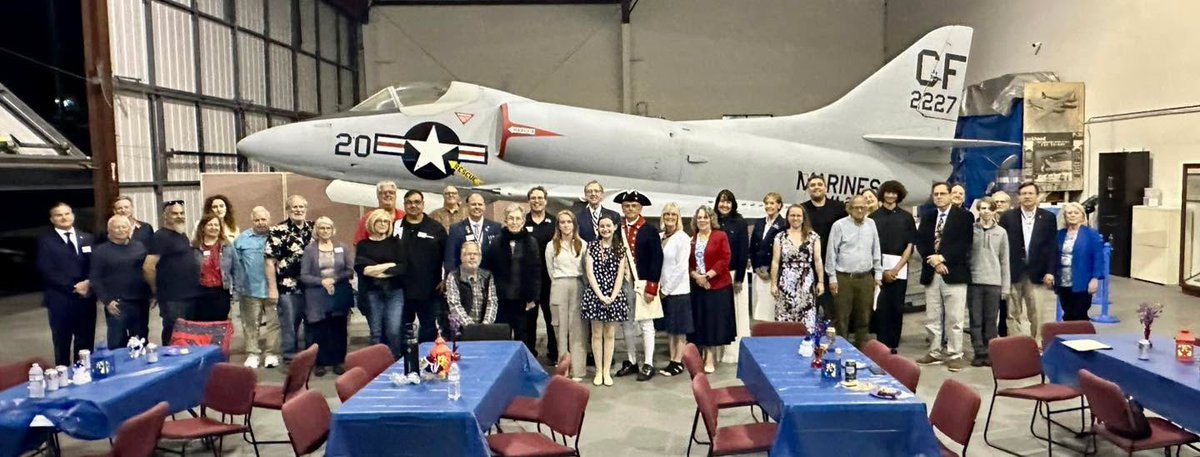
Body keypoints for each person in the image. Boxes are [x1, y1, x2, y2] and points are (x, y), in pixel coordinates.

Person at [916, 182, 974, 372]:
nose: (939, 197)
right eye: (936, 194)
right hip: (932, 273)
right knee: (932, 316)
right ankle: (934, 352)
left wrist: (943, 257)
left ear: (951, 195)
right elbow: (922, 242)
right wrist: (934, 261)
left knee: (955, 318)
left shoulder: (964, 217)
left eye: (942, 193)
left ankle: (955, 354)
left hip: (954, 273)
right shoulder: (928, 216)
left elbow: (964, 243)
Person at [613, 190, 663, 381]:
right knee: (626, 323)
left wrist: (652, 287)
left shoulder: (649, 230)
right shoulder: (619, 229)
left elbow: (656, 260)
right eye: (626, 206)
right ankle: (632, 360)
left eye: (634, 206)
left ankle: (648, 363)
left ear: (640, 208)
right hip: (624, 283)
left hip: (643, 284)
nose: (630, 209)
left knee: (647, 324)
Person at [37, 203, 95, 365]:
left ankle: (83, 372)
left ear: (73, 215)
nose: (64, 217)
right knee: (62, 341)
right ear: (52, 219)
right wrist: (73, 287)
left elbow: (95, 265)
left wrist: (89, 283)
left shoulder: (87, 238)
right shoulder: (46, 242)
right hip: (60, 299)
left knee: (85, 341)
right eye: (59, 215)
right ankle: (63, 375)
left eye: (67, 213)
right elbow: (47, 270)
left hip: (86, 298)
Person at [998, 182, 1057, 339]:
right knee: (1012, 311)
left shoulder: (1048, 218)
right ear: (1018, 197)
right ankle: (1015, 343)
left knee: (1036, 311)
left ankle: (1037, 343)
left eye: (1030, 193)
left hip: (1037, 272)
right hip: (1013, 271)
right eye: (1023, 193)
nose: (1027, 196)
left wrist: (1051, 271)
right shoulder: (1008, 217)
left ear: (1037, 196)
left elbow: (1052, 246)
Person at [825, 196, 882, 349]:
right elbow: (831, 252)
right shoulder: (839, 226)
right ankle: (841, 351)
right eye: (856, 207)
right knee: (841, 318)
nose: (859, 210)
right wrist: (832, 278)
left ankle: (861, 351)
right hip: (844, 278)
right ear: (849, 209)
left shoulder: (872, 224)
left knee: (864, 317)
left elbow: (876, 249)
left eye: (863, 207)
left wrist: (878, 274)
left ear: (867, 208)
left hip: (865, 278)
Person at [300, 217, 354, 377]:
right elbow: (304, 275)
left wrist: (334, 280)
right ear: (316, 230)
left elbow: (349, 270)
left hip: (338, 294)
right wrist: (322, 281)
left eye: (328, 228)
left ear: (333, 229)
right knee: (319, 330)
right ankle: (320, 363)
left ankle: (338, 361)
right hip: (316, 295)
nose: (325, 231)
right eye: (322, 228)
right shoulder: (309, 250)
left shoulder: (342, 248)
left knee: (338, 328)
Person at [265, 195, 314, 362]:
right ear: (288, 209)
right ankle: (290, 358)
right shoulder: (278, 230)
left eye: (302, 207)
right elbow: (270, 262)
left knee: (312, 322)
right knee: (289, 324)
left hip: (312, 287)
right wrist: (272, 289)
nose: (299, 210)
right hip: (287, 286)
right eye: (295, 207)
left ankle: (310, 356)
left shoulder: (314, 228)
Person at [869, 180, 916, 352]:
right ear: (882, 194)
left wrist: (896, 268)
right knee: (880, 307)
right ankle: (880, 344)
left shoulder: (906, 217)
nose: (890, 195)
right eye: (887, 192)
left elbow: (910, 245)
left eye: (894, 193)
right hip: (878, 269)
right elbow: (871, 245)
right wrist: (881, 271)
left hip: (899, 268)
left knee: (896, 307)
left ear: (899, 195)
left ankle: (893, 344)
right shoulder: (873, 217)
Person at [144, 201, 200, 345]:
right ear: (166, 216)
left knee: (188, 334)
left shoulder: (182, 235)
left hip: (190, 295)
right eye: (175, 213)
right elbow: (148, 266)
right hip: (172, 297)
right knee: (174, 334)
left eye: (181, 213)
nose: (179, 216)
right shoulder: (159, 237)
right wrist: (155, 290)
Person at [92, 215, 151, 349]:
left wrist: (152, 294)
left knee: (141, 341)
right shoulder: (100, 251)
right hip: (117, 304)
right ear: (109, 230)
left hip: (140, 302)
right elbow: (95, 278)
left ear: (130, 229)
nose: (121, 230)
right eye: (116, 227)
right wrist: (107, 301)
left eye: (124, 227)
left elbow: (148, 270)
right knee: (117, 342)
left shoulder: (140, 247)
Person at [581, 215, 628, 386]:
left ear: (614, 227)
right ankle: (598, 371)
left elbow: (620, 275)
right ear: (598, 228)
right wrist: (600, 295)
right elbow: (590, 273)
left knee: (610, 334)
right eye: (602, 226)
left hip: (613, 295)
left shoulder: (620, 248)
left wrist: (613, 296)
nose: (605, 229)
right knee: (596, 334)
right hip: (596, 294)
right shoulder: (592, 246)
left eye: (608, 226)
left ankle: (607, 371)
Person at [398, 190, 449, 343]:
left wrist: (445, 279)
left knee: (429, 328)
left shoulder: (436, 228)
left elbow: (447, 255)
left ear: (423, 204)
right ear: (405, 205)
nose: (413, 205)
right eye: (409, 202)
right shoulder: (396, 227)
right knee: (402, 330)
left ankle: (425, 359)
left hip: (429, 289)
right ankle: (404, 361)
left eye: (417, 202)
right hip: (401, 289)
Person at [689, 206, 735, 373]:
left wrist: (707, 276)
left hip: (717, 286)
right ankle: (700, 355)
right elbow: (689, 263)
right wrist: (697, 277)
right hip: (699, 286)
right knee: (701, 322)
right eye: (699, 217)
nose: (702, 220)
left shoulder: (720, 236)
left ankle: (710, 358)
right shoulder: (693, 239)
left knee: (713, 324)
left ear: (711, 219)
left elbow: (725, 258)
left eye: (705, 217)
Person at [487, 204, 541, 344]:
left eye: (518, 219)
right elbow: (490, 269)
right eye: (511, 218)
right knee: (502, 335)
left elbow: (535, 271)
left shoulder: (531, 242)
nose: (514, 222)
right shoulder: (496, 242)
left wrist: (533, 297)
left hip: (522, 298)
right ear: (505, 220)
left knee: (522, 336)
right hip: (501, 298)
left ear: (523, 221)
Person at [233, 206, 280, 368]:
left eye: (263, 219)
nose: (260, 223)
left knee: (274, 324)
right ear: (252, 220)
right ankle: (252, 353)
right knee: (251, 324)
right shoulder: (241, 239)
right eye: (257, 220)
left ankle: (271, 354)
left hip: (274, 289)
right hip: (250, 290)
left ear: (269, 219)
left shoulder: (277, 236)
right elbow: (235, 265)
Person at [355, 209, 406, 357]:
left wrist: (376, 269)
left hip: (395, 292)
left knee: (394, 331)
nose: (383, 224)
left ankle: (395, 363)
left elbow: (402, 267)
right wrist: (389, 266)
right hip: (373, 293)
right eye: (380, 221)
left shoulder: (396, 242)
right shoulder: (363, 245)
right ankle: (377, 366)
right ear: (372, 223)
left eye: (386, 221)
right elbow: (362, 269)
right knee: (376, 332)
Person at [968, 197, 1010, 367]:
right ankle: (979, 352)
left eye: (988, 208)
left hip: (994, 282)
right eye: (982, 208)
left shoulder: (1001, 232)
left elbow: (1004, 260)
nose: (985, 211)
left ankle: (990, 352)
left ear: (994, 211)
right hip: (974, 281)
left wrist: (1005, 286)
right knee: (975, 319)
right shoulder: (971, 230)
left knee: (991, 320)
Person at [545, 210, 586, 381]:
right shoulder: (551, 245)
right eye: (562, 222)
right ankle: (563, 369)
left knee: (577, 329)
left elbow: (585, 269)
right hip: (559, 284)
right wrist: (558, 283)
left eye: (569, 222)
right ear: (558, 225)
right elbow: (550, 270)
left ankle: (578, 370)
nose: (566, 225)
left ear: (574, 224)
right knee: (560, 328)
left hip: (577, 284)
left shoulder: (582, 244)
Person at [770, 204, 823, 329]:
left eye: (798, 215)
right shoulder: (780, 237)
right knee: (784, 319)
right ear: (787, 217)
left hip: (806, 283)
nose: (795, 218)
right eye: (792, 215)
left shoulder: (813, 237)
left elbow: (818, 260)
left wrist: (821, 282)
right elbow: (775, 262)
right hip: (785, 282)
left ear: (803, 218)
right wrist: (773, 284)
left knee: (806, 319)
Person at [1050, 202, 1105, 321]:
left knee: (1079, 314)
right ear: (1064, 216)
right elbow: (1053, 256)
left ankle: (1081, 337)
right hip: (1063, 281)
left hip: (1082, 281)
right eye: (1069, 213)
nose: (1072, 215)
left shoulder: (1091, 234)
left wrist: (1095, 278)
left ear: (1082, 216)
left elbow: (1098, 258)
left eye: (1076, 213)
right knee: (1068, 313)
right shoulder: (1060, 234)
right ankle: (1068, 337)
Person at [657, 203, 694, 377]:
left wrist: (667, 288)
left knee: (679, 330)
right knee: (670, 329)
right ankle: (672, 359)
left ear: (678, 217)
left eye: (673, 214)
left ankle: (678, 361)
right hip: (664, 289)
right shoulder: (661, 236)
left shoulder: (682, 238)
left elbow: (681, 267)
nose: (670, 217)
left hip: (678, 290)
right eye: (667, 214)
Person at [802, 175, 845, 320]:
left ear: (825, 188)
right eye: (812, 185)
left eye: (819, 184)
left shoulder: (838, 208)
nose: (816, 187)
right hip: (810, 265)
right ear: (808, 189)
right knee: (809, 307)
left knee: (833, 309)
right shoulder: (803, 209)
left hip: (833, 264)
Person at [714, 189, 749, 363]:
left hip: (734, 274)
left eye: (728, 202)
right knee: (720, 314)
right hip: (716, 275)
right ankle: (717, 351)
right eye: (721, 201)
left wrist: (740, 279)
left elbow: (743, 252)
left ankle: (734, 353)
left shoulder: (739, 223)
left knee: (737, 315)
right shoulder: (714, 221)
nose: (724, 205)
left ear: (733, 204)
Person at [524, 186, 557, 362]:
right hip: (529, 280)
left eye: (540, 198)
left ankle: (554, 352)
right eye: (533, 198)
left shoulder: (554, 222)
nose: (537, 201)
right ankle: (530, 353)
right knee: (529, 319)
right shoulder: (523, 222)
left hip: (549, 279)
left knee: (552, 318)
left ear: (546, 200)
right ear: (529, 201)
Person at [192, 213, 236, 321]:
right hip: (200, 293)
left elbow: (236, 270)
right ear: (203, 227)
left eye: (216, 225)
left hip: (221, 292)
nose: (214, 227)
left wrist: (236, 293)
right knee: (202, 327)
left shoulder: (227, 247)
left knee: (220, 327)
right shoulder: (194, 247)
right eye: (210, 225)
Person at [749, 192, 786, 322]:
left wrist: (770, 271)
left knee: (770, 311)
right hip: (758, 271)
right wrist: (756, 268)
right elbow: (753, 246)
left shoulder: (784, 224)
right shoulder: (759, 223)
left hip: (773, 274)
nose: (769, 206)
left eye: (772, 203)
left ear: (779, 205)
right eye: (766, 203)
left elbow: (783, 252)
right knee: (757, 308)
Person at [447, 241, 499, 329]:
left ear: (480, 257)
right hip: (461, 329)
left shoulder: (488, 276)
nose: (472, 257)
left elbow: (492, 302)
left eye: (475, 254)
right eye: (468, 254)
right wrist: (471, 328)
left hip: (484, 329)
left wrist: (486, 325)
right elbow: (455, 305)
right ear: (461, 257)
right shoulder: (453, 276)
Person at [445, 193, 501, 271]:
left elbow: (499, 257)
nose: (477, 207)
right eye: (473, 204)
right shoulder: (456, 229)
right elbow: (450, 259)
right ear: (467, 206)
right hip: (463, 277)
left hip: (488, 277)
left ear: (484, 206)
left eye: (480, 204)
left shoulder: (495, 228)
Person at [991, 189, 1012, 337]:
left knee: (1008, 308)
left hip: (1008, 269)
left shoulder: (1014, 221)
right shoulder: (984, 221)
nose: (999, 204)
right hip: (990, 271)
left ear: (1009, 204)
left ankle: (1005, 336)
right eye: (996, 202)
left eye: (1002, 201)